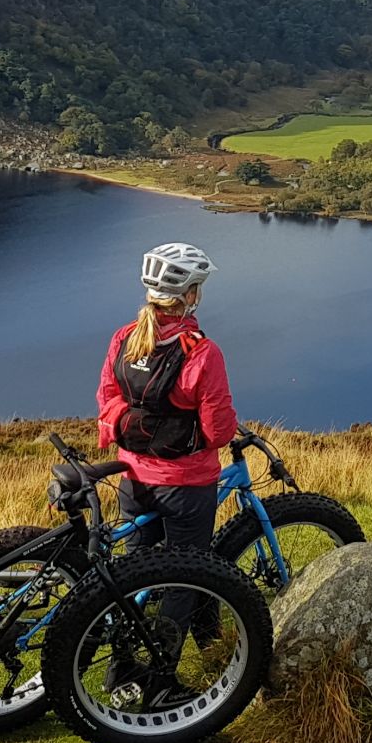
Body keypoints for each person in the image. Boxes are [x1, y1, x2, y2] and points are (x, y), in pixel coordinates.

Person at [94, 241, 239, 708]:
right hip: (186, 485)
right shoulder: (202, 353)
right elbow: (217, 430)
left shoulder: (124, 337)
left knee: (134, 578)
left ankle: (118, 671)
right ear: (190, 295)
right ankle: (160, 679)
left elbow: (106, 400)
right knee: (183, 579)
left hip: (132, 479)